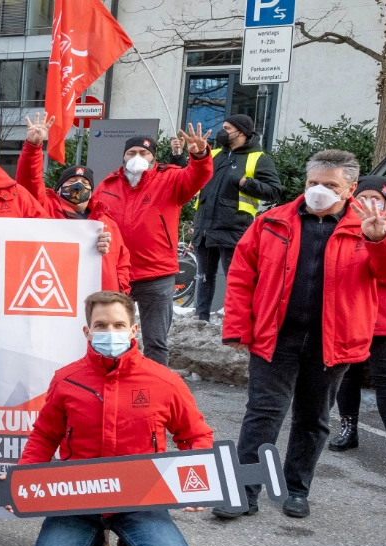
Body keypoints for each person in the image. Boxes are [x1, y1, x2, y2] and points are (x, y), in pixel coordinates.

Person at [219, 150, 386, 520]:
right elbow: (241, 276)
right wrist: (237, 326)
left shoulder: (370, 227)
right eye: (313, 183)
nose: (319, 191)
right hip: (275, 337)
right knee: (262, 415)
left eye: (330, 185)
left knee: (313, 417)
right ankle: (245, 491)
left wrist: (379, 242)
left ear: (351, 189)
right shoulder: (271, 222)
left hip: (334, 341)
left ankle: (296, 488)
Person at [14, 291, 213, 546]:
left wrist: (200, 482)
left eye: (119, 325)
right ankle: (94, 539)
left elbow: (195, 435)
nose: (110, 333)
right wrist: (22, 480)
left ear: (133, 330)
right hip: (77, 497)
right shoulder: (66, 380)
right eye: (101, 325)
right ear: (87, 331)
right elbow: (44, 436)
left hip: (142, 497)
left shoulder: (165, 382)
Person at [96, 126, 214, 366]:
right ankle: (112, 380)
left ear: (153, 157)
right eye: (131, 153)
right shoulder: (107, 186)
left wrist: (200, 156)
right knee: (112, 338)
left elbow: (197, 176)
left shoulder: (170, 179)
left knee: (156, 342)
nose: (137, 157)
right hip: (118, 275)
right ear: (123, 156)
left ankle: (154, 389)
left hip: (157, 275)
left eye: (144, 152)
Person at [18, 113, 130, 293]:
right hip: (58, 292)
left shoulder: (107, 223)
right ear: (59, 188)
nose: (78, 186)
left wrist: (120, 291)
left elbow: (122, 262)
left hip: (100, 301)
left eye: (85, 183)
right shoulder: (46, 208)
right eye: (71, 182)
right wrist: (33, 147)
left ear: (92, 192)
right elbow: (29, 181)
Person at [190, 114, 282, 321]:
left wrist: (244, 182)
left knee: (235, 278)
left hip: (234, 227)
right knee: (203, 277)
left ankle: (235, 321)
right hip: (204, 226)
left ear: (241, 132)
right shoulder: (212, 154)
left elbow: (274, 191)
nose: (222, 132)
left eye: (227, 128)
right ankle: (200, 318)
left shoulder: (259, 158)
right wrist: (180, 154)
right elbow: (189, 176)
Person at [331, 177, 386, 456]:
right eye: (364, 197)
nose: (370, 203)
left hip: (384, 321)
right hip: (351, 315)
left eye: (377, 198)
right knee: (347, 378)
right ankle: (348, 429)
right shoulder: (342, 227)